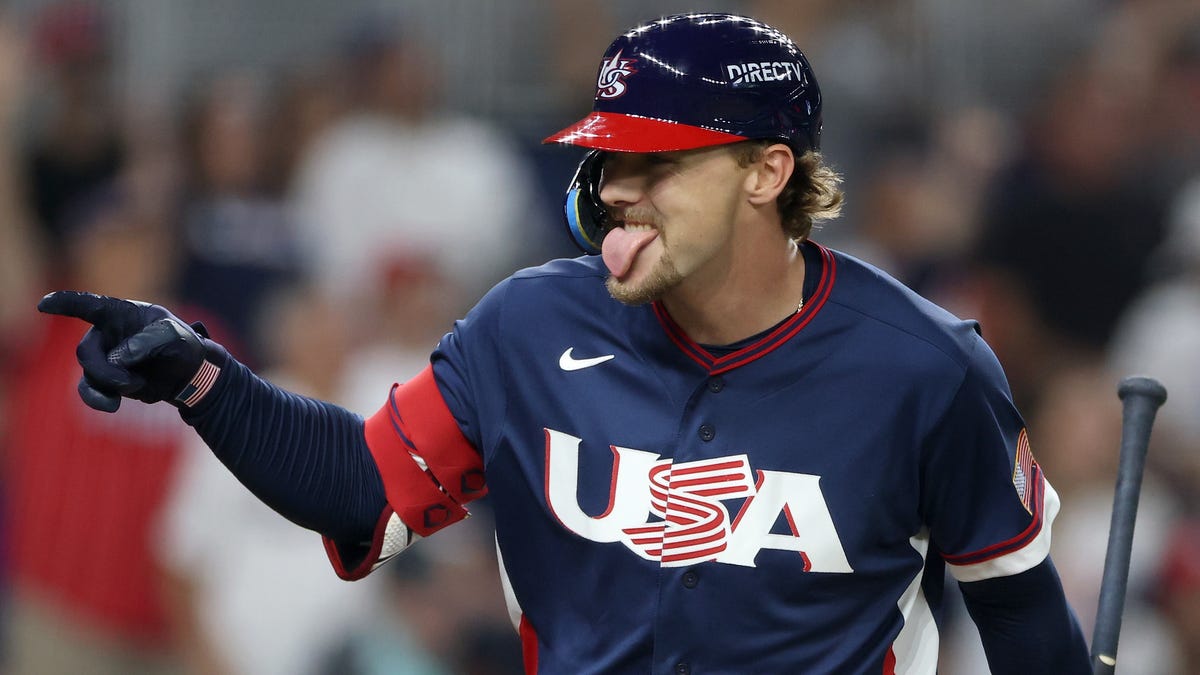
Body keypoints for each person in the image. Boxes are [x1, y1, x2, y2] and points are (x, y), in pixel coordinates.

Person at [38, 13, 1091, 674]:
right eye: (607, 161)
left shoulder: (925, 368)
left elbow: (1026, 628)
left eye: (658, 165)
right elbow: (360, 487)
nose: (615, 193)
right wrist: (200, 377)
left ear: (769, 174)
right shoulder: (532, 324)